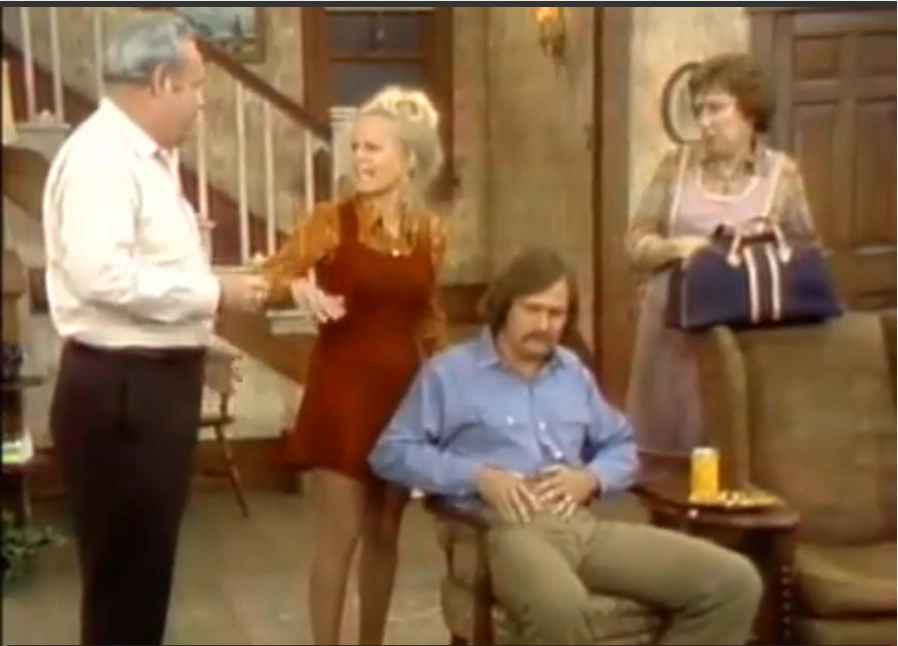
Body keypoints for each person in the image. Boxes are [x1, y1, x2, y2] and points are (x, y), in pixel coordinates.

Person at [370, 247, 763, 645]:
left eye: (555, 314)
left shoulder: (572, 372)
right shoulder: (451, 372)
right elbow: (391, 452)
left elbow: (622, 446)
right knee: (561, 609)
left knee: (733, 582)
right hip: (502, 533)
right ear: (505, 306)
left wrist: (590, 478)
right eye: (532, 309)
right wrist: (478, 477)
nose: (544, 324)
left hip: (581, 529)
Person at [42, 15, 268, 646]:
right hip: (124, 393)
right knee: (125, 584)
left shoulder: (146, 159)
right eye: (196, 87)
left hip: (146, 386)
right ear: (162, 81)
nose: (202, 103)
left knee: (141, 578)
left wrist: (202, 332)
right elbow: (102, 276)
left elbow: (154, 271)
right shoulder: (103, 160)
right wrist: (216, 293)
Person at [259, 86, 449, 645]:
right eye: (356, 148)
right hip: (342, 395)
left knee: (385, 532)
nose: (360, 159)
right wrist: (296, 288)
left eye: (374, 148)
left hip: (402, 396)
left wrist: (449, 385)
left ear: (408, 160)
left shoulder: (430, 232)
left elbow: (430, 316)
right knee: (338, 538)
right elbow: (267, 277)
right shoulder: (331, 221)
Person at [625, 53, 819, 469]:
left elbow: (804, 253)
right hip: (672, 332)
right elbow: (635, 244)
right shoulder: (675, 166)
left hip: (746, 338)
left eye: (715, 108)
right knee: (669, 466)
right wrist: (679, 248)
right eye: (699, 111)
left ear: (749, 110)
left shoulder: (782, 175)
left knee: (735, 455)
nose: (705, 122)